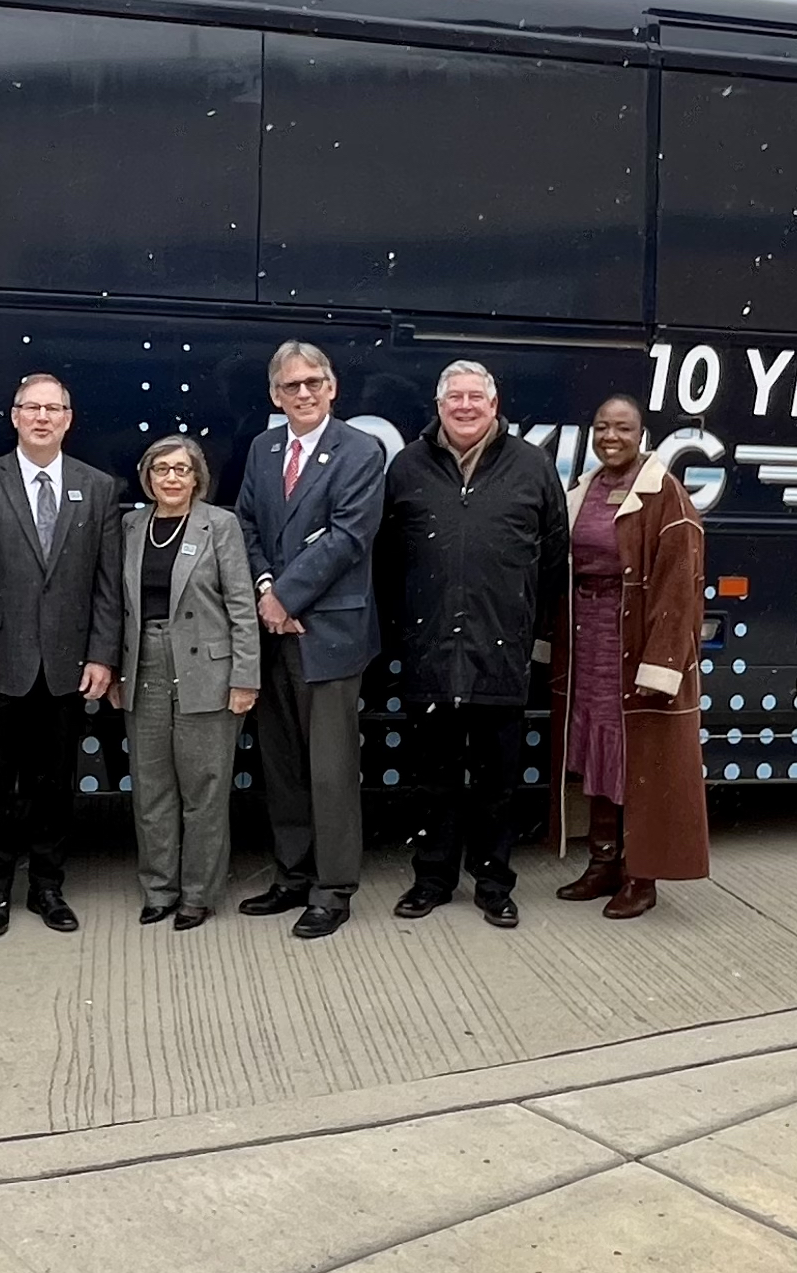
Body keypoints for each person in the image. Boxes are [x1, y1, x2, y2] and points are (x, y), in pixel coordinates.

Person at [377, 360, 566, 929]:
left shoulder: (533, 466)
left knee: (496, 784)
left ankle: (493, 884)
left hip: (500, 655)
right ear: (438, 406)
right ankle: (432, 879)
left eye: (474, 397)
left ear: (493, 403)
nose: (464, 406)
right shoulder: (407, 468)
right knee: (432, 780)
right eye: (453, 397)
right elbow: (387, 562)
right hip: (429, 652)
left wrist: (527, 625)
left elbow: (554, 560)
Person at [0, 373, 123, 936]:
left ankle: (47, 887)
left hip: (69, 665)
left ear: (69, 419)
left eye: (54, 409)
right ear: (14, 416)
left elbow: (107, 584)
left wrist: (102, 654)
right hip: (0, 664)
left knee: (55, 784)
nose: (42, 418)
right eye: (32, 408)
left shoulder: (98, 487)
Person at [229, 342, 387, 940]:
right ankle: (292, 876)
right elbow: (245, 523)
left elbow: (348, 536)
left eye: (313, 382)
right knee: (284, 765)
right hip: (273, 633)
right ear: (275, 395)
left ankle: (333, 887)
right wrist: (267, 588)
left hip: (331, 632)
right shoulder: (263, 450)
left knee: (331, 768)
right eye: (291, 385)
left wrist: (285, 598)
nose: (303, 393)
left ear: (332, 387)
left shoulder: (359, 451)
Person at [553, 395, 712, 918]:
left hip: (636, 645)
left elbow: (679, 588)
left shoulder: (666, 497)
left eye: (622, 428)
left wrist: (663, 664)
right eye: (601, 427)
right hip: (590, 643)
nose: (609, 437)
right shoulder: (584, 490)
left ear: (641, 435)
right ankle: (603, 863)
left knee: (638, 760)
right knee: (598, 752)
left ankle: (640, 876)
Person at [102, 434, 261, 929]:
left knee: (204, 789)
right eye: (161, 469)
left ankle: (198, 893)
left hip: (207, 670)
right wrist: (114, 670)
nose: (171, 478)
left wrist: (245, 677)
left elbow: (241, 604)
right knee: (151, 787)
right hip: (143, 664)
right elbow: (113, 603)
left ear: (198, 478)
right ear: (147, 478)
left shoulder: (221, 525)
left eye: (181, 469)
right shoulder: (131, 526)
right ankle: (158, 888)